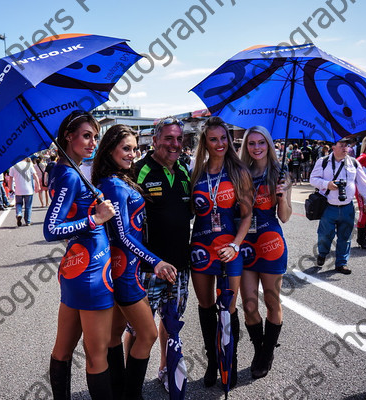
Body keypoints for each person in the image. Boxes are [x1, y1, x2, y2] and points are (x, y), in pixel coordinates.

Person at [92, 124, 176, 400]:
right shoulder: (113, 185)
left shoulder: (117, 179)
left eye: (134, 148)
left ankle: (119, 391)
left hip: (124, 268)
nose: (132, 153)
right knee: (148, 334)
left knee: (116, 333)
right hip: (124, 271)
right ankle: (131, 394)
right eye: (126, 148)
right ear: (110, 150)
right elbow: (123, 236)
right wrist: (157, 262)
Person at [43, 111, 116, 400]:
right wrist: (95, 220)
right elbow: (51, 229)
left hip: (77, 268)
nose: (92, 143)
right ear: (68, 138)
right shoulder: (69, 176)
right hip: (91, 274)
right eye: (87, 136)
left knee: (63, 349)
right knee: (97, 355)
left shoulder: (67, 171)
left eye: (95, 137)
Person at [190, 116, 252, 388]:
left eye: (223, 138)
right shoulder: (196, 172)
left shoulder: (239, 171)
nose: (219, 144)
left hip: (230, 250)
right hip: (201, 249)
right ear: (205, 142)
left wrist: (236, 245)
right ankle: (212, 362)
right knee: (205, 308)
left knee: (228, 308)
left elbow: (247, 216)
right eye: (213, 139)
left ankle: (230, 360)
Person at [132, 116, 192, 391]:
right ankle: (131, 379)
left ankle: (166, 369)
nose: (175, 144)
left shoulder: (184, 170)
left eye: (179, 139)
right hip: (148, 268)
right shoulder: (138, 171)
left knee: (171, 321)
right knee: (139, 330)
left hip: (179, 264)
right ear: (155, 140)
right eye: (169, 138)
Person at [239, 126, 292, 379]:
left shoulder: (280, 172)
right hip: (246, 245)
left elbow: (285, 216)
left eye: (261, 142)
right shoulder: (240, 172)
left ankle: (266, 353)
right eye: (251, 143)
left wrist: (282, 196)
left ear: (268, 145)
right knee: (249, 306)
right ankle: (260, 349)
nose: (256, 147)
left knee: (272, 302)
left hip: (271, 243)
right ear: (246, 146)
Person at [310, 138, 366, 274]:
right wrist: (327, 184)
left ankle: (341, 263)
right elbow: (312, 179)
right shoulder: (324, 161)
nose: (346, 148)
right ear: (333, 147)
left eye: (347, 146)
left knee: (345, 236)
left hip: (347, 207)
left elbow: (363, 184)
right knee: (325, 236)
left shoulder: (354, 163)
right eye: (342, 145)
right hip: (328, 206)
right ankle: (322, 253)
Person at [10, 157, 40, 226]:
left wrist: (10, 188)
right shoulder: (29, 165)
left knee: (18, 204)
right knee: (28, 206)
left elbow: (10, 178)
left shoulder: (13, 166)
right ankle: (28, 221)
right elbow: (35, 175)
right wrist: (38, 185)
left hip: (18, 190)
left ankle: (19, 213)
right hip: (28, 190)